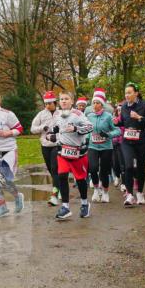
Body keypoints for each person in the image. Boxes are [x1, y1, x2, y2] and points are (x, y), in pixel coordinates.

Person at [49, 92, 93, 220]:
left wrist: (76, 129)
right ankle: (65, 207)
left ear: (72, 101)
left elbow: (90, 127)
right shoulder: (57, 114)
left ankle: (85, 204)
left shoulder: (78, 114)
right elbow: (56, 129)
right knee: (62, 175)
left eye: (66, 99)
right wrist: (51, 135)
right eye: (61, 99)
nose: (63, 101)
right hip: (62, 151)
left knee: (80, 179)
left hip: (77, 153)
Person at [119, 82, 145, 207]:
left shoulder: (144, 105)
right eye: (125, 93)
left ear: (136, 93)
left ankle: (139, 192)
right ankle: (129, 195)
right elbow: (123, 122)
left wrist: (139, 117)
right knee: (128, 166)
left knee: (140, 168)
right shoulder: (124, 107)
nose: (127, 95)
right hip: (127, 141)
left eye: (129, 93)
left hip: (142, 141)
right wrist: (116, 122)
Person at [85, 88, 121, 203]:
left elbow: (118, 131)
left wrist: (108, 135)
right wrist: (86, 139)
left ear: (102, 105)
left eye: (97, 103)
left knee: (104, 171)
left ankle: (105, 192)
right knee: (93, 168)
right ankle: (96, 189)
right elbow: (86, 130)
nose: (95, 105)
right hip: (92, 146)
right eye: (93, 103)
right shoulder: (89, 116)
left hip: (106, 147)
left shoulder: (108, 116)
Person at [31, 91, 62, 206]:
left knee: (54, 168)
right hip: (45, 145)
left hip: (57, 145)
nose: (48, 106)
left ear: (55, 102)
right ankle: (59, 187)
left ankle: (55, 194)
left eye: (50, 103)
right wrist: (42, 128)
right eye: (46, 103)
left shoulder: (61, 113)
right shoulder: (41, 114)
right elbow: (32, 129)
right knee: (51, 169)